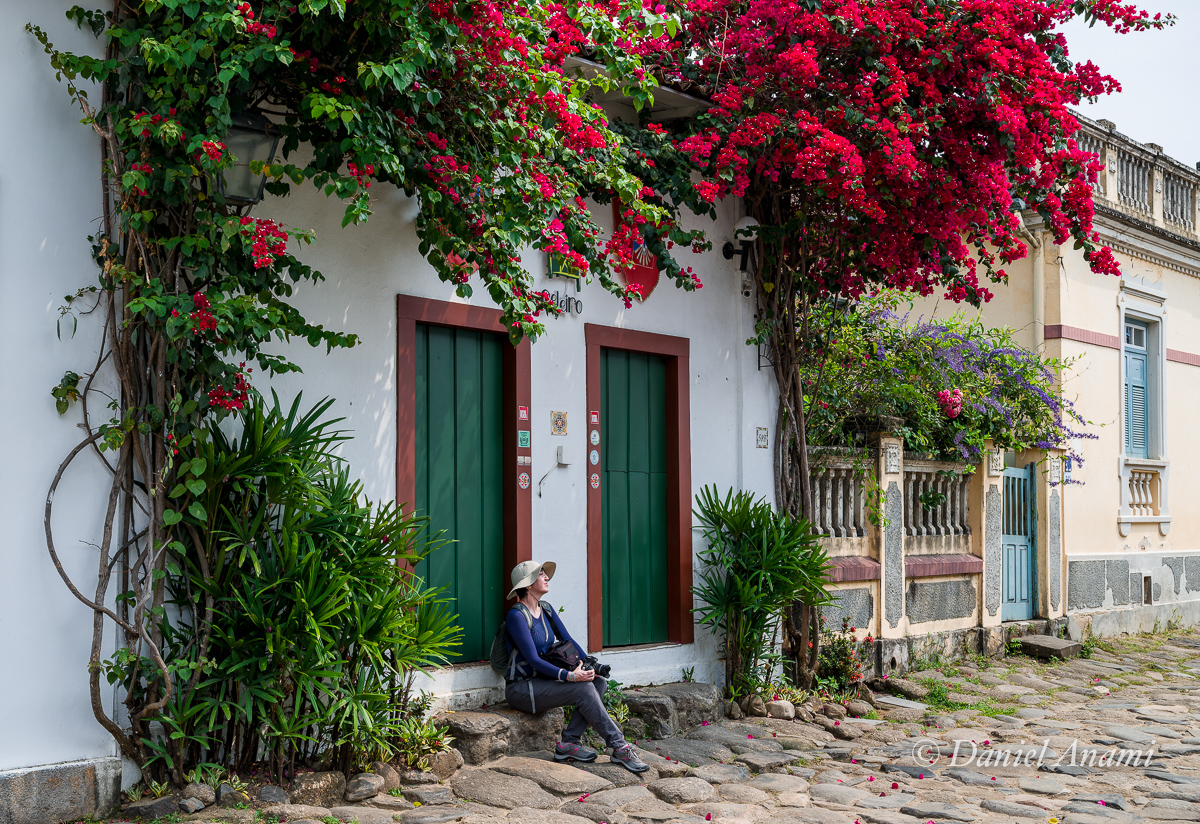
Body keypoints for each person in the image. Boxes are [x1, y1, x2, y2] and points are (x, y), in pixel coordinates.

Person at [502, 560, 649, 772]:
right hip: (522, 688)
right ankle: (620, 747)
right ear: (527, 585)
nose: (546, 577)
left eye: (544, 573)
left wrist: (590, 665)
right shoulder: (517, 616)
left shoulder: (546, 610)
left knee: (597, 683)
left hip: (543, 681)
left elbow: (567, 640)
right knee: (583, 688)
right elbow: (533, 660)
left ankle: (568, 743)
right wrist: (569, 676)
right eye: (540, 574)